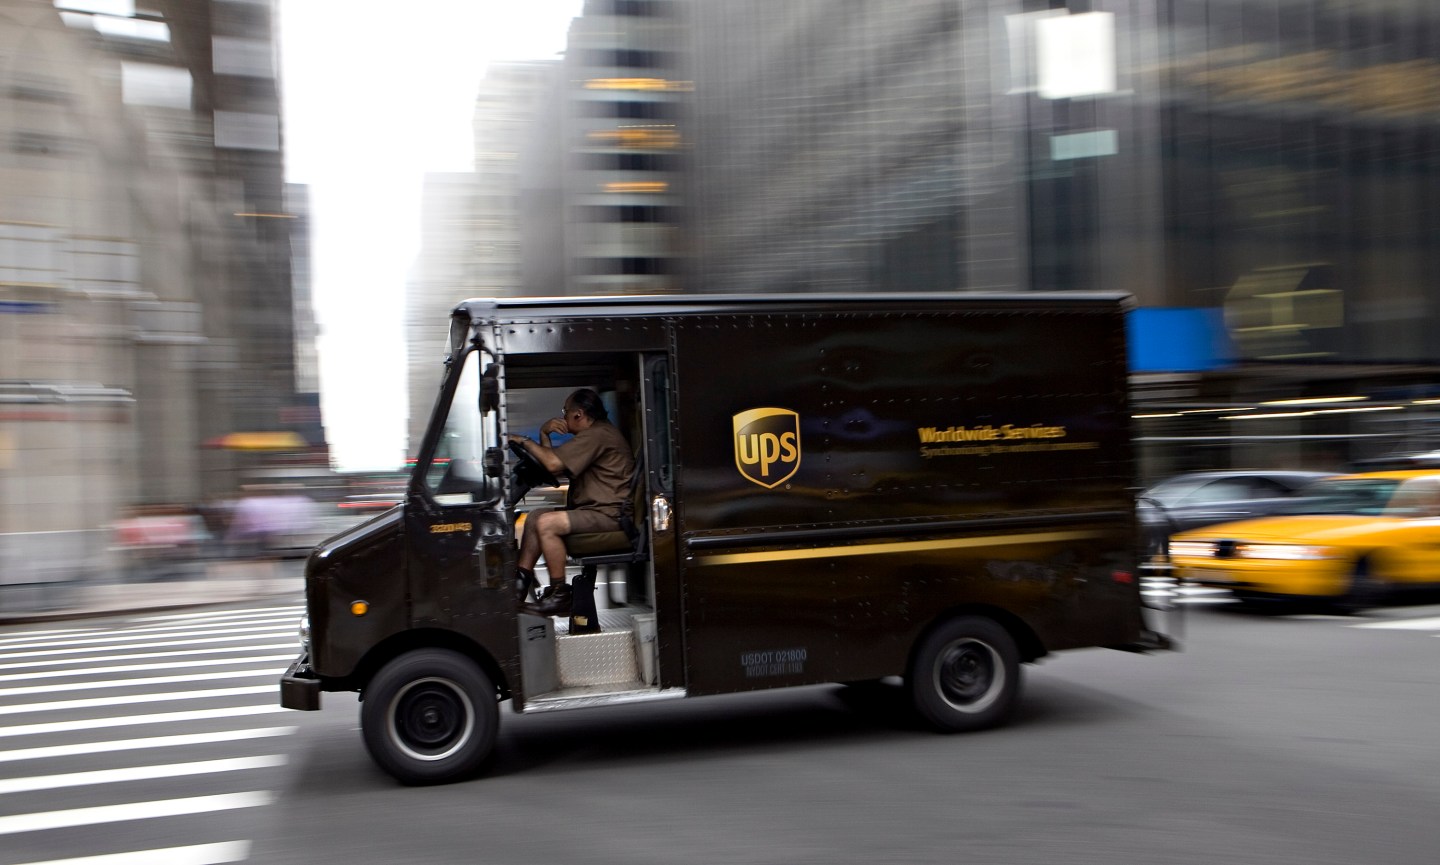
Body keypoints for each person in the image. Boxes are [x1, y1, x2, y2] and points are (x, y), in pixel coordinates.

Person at [507, 388, 633, 617]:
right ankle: (518, 585)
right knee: (535, 517)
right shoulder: (594, 435)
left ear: (578, 414)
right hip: (594, 511)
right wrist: (544, 435)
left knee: (547, 523)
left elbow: (553, 464)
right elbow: (551, 462)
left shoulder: (598, 435)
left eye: (565, 412)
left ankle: (560, 595)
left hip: (609, 514)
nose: (563, 417)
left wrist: (524, 441)